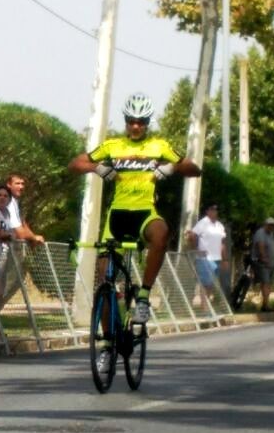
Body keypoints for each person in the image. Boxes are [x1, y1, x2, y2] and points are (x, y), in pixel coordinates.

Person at [68, 93, 202, 324]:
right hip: (117, 216)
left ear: (148, 123)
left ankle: (143, 297)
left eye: (141, 122)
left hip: (144, 212)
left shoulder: (159, 145)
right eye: (131, 121)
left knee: (160, 234)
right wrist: (96, 167)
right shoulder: (113, 145)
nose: (136, 126)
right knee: (105, 282)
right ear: (126, 121)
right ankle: (108, 344)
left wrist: (172, 167)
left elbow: (194, 169)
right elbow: (75, 164)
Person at [186, 201, 228, 310]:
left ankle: (206, 305)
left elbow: (222, 243)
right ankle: (205, 307)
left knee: (211, 283)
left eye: (216, 210)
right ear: (207, 211)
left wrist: (225, 259)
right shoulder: (203, 223)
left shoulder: (219, 225)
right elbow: (192, 235)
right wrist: (196, 249)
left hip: (217, 258)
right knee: (205, 283)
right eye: (212, 210)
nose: (214, 212)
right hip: (204, 258)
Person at [250, 217, 274, 311]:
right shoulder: (260, 233)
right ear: (265, 224)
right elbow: (260, 246)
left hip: (270, 263)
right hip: (262, 263)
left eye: (273, 225)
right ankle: (266, 305)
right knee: (266, 283)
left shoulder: (271, 234)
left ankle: (265, 304)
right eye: (270, 225)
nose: (271, 227)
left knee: (267, 283)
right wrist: (264, 258)